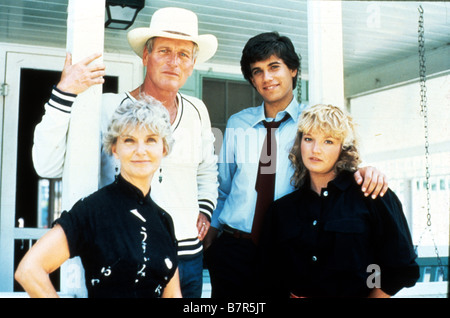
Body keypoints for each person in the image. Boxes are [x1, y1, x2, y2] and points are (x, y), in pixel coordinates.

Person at [31, 7, 218, 298]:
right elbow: (46, 164)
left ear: (193, 64)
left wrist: (205, 209)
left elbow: (207, 169)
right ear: (146, 56)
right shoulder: (108, 108)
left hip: (188, 259)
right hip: (127, 257)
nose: (174, 62)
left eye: (183, 55)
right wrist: (64, 92)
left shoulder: (198, 111)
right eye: (164, 51)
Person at [204, 32, 389, 298]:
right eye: (257, 71)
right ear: (252, 80)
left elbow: (337, 162)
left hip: (286, 250)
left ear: (293, 70)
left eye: (274, 67)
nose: (267, 78)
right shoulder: (237, 123)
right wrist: (211, 242)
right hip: (234, 249)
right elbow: (223, 189)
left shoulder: (313, 123)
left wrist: (364, 171)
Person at [15, 97, 182, 298]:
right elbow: (29, 271)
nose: (140, 151)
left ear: (163, 149)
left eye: (151, 140)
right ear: (115, 149)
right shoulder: (94, 210)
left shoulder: (163, 220)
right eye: (129, 140)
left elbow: (173, 295)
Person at [258, 104, 420, 297]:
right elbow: (267, 276)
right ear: (300, 143)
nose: (315, 149)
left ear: (343, 148)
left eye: (328, 141)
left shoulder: (372, 195)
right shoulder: (281, 210)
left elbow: (401, 268)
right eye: (309, 139)